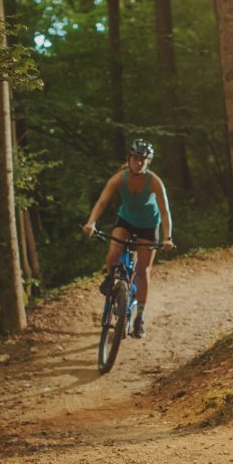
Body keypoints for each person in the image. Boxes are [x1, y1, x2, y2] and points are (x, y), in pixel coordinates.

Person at [83, 139, 175, 339]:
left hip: (149, 225)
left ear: (148, 162)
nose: (139, 162)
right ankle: (110, 280)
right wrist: (91, 223)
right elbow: (102, 201)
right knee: (114, 251)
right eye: (136, 158)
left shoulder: (154, 181)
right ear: (129, 159)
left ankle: (139, 318)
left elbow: (165, 212)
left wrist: (167, 237)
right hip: (125, 221)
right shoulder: (119, 178)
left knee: (143, 271)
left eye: (143, 159)